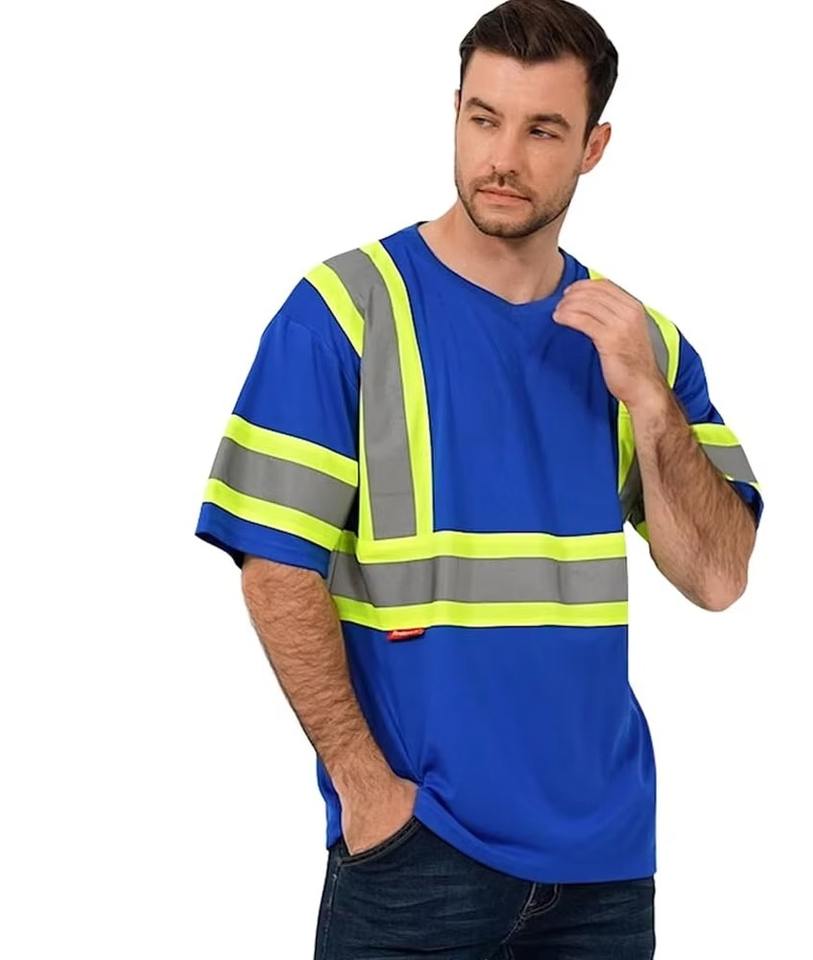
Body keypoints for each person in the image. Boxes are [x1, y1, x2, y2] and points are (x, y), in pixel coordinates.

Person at [194, 1, 763, 956]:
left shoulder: (643, 345)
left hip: (606, 866)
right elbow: (275, 569)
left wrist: (650, 399)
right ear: (454, 112)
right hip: (418, 854)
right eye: (483, 118)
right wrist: (365, 790)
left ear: (593, 147)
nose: (503, 157)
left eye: (543, 130)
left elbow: (718, 576)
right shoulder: (343, 311)